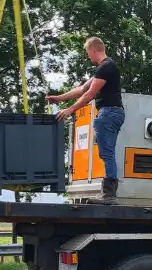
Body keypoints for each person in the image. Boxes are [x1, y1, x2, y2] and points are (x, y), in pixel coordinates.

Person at [48, 36, 125, 204]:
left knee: (107, 154)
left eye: (87, 53)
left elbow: (89, 94)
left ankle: (109, 195)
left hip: (109, 113)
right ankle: (109, 194)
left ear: (93, 50)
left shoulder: (105, 68)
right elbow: (82, 88)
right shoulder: (105, 67)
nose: (88, 56)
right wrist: (59, 98)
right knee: (107, 153)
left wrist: (70, 110)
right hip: (114, 113)